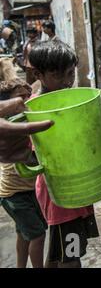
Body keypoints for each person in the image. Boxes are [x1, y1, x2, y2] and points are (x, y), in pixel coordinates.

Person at [27, 40, 99, 268]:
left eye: (70, 73)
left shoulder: (67, 103)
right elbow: (33, 156)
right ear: (38, 74)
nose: (68, 82)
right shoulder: (37, 110)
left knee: (58, 253)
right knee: (72, 257)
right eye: (58, 76)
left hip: (72, 192)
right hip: (62, 196)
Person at [0, 62, 47, 268]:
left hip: (22, 190)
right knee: (37, 235)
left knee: (23, 232)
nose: (26, 101)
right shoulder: (14, 125)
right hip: (15, 194)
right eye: (22, 99)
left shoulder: (16, 101)